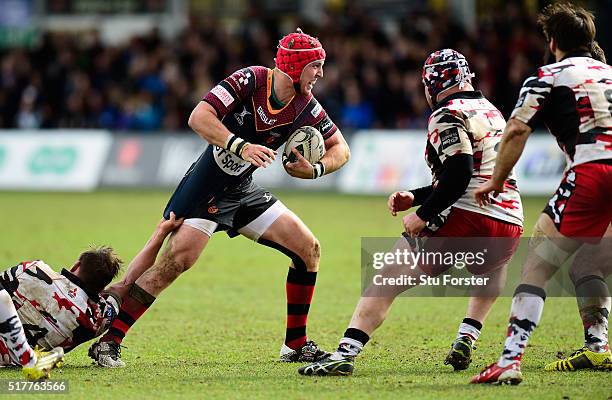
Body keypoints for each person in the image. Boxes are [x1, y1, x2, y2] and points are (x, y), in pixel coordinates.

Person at [89, 28, 351, 368]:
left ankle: (296, 344)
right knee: (174, 263)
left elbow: (340, 149)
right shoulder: (250, 81)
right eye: (315, 66)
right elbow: (198, 116)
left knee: (309, 249)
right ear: (295, 67)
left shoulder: (306, 107)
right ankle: (109, 342)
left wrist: (314, 170)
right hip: (207, 187)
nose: (320, 74)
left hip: (242, 189)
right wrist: (240, 145)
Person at [298, 49, 523, 376]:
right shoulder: (492, 112)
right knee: (491, 270)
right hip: (510, 220)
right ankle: (467, 335)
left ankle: (344, 353)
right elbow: (477, 174)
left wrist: (424, 213)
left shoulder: (447, 113)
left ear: (433, 82)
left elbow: (460, 173)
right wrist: (415, 196)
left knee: (387, 277)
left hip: (466, 215)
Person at [471, 3, 612, 385]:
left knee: (537, 263)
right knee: (590, 263)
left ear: (552, 42)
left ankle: (510, 359)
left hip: (592, 171)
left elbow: (516, 130)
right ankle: (597, 346)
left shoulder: (547, 76)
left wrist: (495, 180)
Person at [0, 213, 183, 377]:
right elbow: (126, 283)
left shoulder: (33, 271)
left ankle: (29, 359)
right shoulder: (99, 319)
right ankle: (26, 356)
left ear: (76, 266)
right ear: (102, 285)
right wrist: (160, 234)